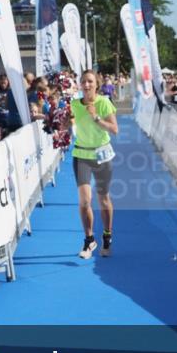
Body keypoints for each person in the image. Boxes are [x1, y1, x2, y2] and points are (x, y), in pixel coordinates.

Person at [69, 70, 119, 259]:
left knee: (103, 199)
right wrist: (63, 123)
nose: (87, 85)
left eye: (90, 81)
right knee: (84, 201)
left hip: (102, 154)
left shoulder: (104, 102)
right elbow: (71, 123)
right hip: (81, 154)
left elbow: (115, 130)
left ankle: (107, 236)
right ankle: (89, 240)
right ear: (80, 85)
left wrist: (96, 117)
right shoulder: (74, 104)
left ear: (96, 84)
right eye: (83, 82)